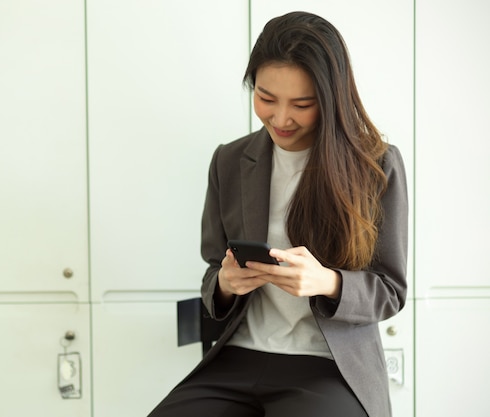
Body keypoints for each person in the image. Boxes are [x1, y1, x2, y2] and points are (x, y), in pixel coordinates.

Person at [147, 11, 408, 417]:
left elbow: (390, 290)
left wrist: (327, 282)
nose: (281, 118)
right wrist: (227, 283)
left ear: (330, 98)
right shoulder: (229, 160)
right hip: (238, 355)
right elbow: (212, 272)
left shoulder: (376, 164)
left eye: (302, 104)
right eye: (266, 98)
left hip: (327, 365)